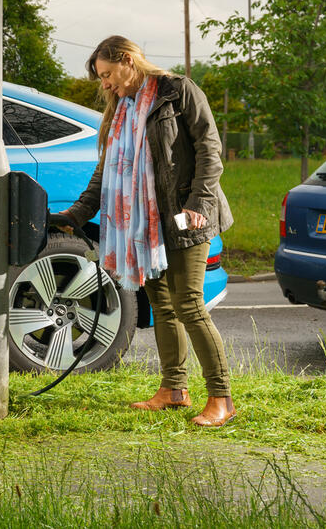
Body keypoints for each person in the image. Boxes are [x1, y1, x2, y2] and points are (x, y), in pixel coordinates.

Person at [50, 35, 236, 427]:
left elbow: (209, 149)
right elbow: (106, 170)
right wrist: (79, 213)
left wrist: (198, 203)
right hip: (143, 224)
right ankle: (174, 388)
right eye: (101, 78)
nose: (104, 84)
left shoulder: (178, 91)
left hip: (186, 215)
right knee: (163, 305)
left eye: (107, 74)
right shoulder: (122, 108)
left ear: (128, 60)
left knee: (189, 304)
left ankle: (221, 398)